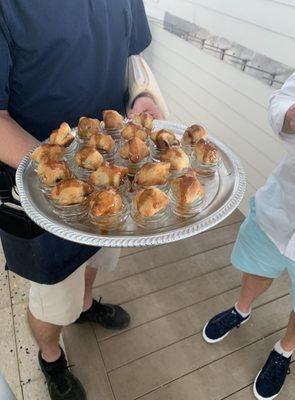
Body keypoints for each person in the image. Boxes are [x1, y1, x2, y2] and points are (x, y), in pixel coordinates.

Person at [0, 2, 166, 399]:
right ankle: (51, 354)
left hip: (113, 181)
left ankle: (86, 305)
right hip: (43, 193)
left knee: (97, 258)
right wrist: (67, 175)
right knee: (54, 298)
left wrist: (142, 93)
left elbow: (132, 53)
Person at [203, 68, 295, 400]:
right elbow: (281, 99)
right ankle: (240, 310)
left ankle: (284, 350)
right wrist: (290, 116)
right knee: (256, 265)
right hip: (284, 202)